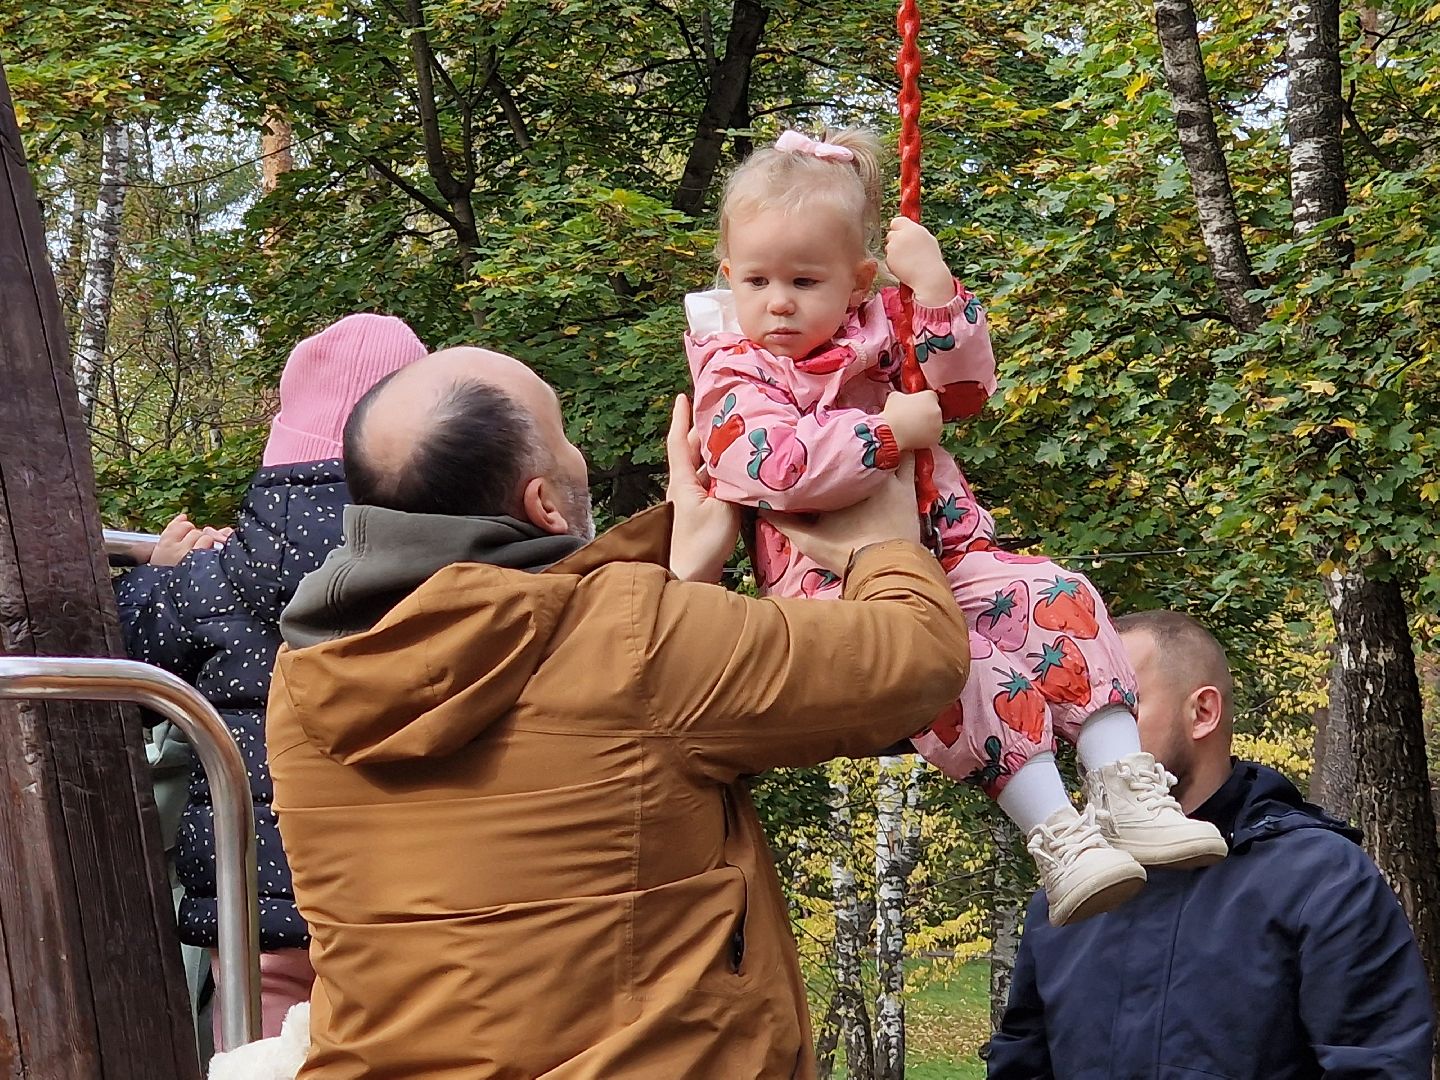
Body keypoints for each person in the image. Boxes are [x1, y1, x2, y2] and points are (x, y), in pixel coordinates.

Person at [264, 346, 971, 1078]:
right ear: (541, 504)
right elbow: (918, 657)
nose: (579, 453)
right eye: (565, 432)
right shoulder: (642, 642)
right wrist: (885, 544)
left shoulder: (306, 685)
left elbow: (562, 702)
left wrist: (669, 572)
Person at [684, 126, 1224, 925]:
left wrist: (933, 289)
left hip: (944, 554)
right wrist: (888, 434)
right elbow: (769, 464)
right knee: (966, 665)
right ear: (730, 276)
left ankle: (1122, 785)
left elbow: (964, 390)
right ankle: (1056, 833)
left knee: (1057, 590)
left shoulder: (884, 328)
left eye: (806, 279)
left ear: (857, 281)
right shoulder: (734, 366)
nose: (780, 301)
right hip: (837, 591)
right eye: (758, 279)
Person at [114, 312, 428, 1043]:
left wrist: (156, 573)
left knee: (256, 1052)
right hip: (415, 907)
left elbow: (124, 659)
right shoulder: (457, 570)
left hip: (256, 911)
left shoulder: (210, 578)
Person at [986, 609, 1436, 1078]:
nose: (1091, 737)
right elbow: (1021, 1062)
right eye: (1083, 714)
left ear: (1202, 713)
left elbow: (1378, 1065)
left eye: (1118, 710)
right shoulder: (1078, 877)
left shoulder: (1319, 878)